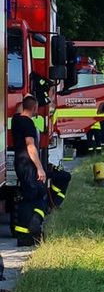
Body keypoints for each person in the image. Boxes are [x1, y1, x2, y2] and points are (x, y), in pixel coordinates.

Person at [11, 95, 48, 246]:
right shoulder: (28, 124)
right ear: (34, 108)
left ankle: (26, 233)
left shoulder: (16, 120)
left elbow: (20, 108)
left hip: (20, 163)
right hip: (28, 164)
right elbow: (30, 146)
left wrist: (27, 97)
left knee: (31, 195)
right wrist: (40, 168)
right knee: (36, 195)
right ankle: (31, 230)